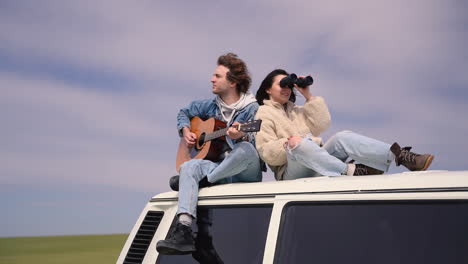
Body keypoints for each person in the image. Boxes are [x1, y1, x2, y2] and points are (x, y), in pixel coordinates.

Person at [156, 53, 263, 255]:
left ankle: (202, 180)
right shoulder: (209, 106)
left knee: (245, 149)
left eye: (217, 76)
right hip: (219, 169)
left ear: (233, 82)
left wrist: (241, 136)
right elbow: (183, 112)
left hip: (244, 169)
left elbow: (259, 147)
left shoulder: (253, 109)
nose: (211, 79)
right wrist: (186, 131)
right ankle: (184, 230)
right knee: (188, 166)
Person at [255, 69, 434, 181]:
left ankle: (400, 156)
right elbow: (266, 152)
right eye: (281, 85)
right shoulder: (263, 113)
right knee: (296, 143)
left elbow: (322, 124)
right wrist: (290, 143)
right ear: (268, 89)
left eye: (289, 85)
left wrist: (308, 95)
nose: (287, 88)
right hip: (291, 172)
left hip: (318, 163)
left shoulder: (297, 111)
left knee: (342, 137)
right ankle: (349, 170)